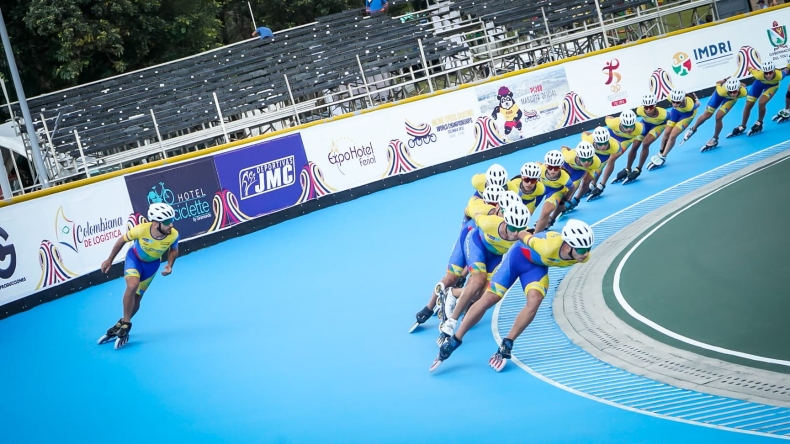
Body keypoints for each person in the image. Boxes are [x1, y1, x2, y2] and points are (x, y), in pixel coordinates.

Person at [430, 219, 594, 372]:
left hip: (536, 268)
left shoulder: (584, 257)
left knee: (535, 301)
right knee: (490, 299)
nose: (585, 254)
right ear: (567, 246)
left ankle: (507, 344)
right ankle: (455, 340)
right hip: (517, 258)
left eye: (587, 249)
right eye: (580, 250)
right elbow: (523, 234)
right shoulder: (548, 246)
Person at [410, 186, 516, 332]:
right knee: (455, 278)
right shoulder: (484, 214)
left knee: (480, 294)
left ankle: (453, 295)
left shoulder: (514, 224)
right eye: (501, 210)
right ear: (496, 206)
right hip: (471, 240)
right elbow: (467, 213)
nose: (504, 215)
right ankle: (428, 308)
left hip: (493, 253)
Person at [437, 202, 531, 343]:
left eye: (520, 229)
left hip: (495, 256)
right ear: (505, 222)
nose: (515, 233)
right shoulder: (489, 223)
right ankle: (451, 322)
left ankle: (453, 293)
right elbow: (469, 210)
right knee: (478, 280)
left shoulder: (525, 234)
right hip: (477, 244)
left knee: (481, 295)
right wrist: (463, 225)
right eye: (512, 228)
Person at [98, 203, 179, 349]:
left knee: (137, 298)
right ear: (155, 223)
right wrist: (109, 259)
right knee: (132, 286)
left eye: (171, 220)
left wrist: (170, 264)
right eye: (167, 222)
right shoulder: (141, 230)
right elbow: (121, 241)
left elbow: (174, 250)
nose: (171, 224)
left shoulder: (173, 235)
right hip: (134, 260)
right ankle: (127, 324)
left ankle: (123, 322)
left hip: (152, 266)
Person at [611, 94, 670, 185]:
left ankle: (638, 169)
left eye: (651, 107)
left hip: (658, 126)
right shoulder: (640, 110)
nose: (648, 110)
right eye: (646, 107)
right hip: (645, 124)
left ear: (655, 105)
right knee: (635, 146)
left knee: (645, 143)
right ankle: (628, 168)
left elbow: (672, 122)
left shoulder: (664, 114)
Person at [585, 110, 643, 200]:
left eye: (631, 126)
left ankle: (601, 185)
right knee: (599, 161)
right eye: (625, 126)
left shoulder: (639, 128)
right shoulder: (613, 123)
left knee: (611, 158)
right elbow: (607, 117)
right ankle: (593, 183)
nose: (628, 129)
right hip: (610, 138)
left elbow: (638, 143)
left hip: (624, 140)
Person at [680, 77, 747, 151]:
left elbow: (744, 85)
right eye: (730, 92)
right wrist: (725, 80)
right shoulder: (721, 90)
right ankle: (693, 129)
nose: (732, 94)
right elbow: (718, 83)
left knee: (718, 117)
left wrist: (739, 83)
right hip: (719, 96)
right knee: (707, 115)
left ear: (738, 89)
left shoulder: (744, 92)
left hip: (730, 100)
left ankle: (715, 138)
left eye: (734, 92)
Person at [647, 89, 700, 170]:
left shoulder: (689, 106)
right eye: (673, 101)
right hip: (676, 112)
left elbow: (698, 104)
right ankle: (660, 152)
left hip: (687, 115)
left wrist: (696, 99)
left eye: (677, 102)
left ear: (682, 100)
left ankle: (663, 156)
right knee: (667, 132)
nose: (674, 104)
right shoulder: (670, 97)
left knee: (673, 135)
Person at [728, 60, 783, 137]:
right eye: (766, 73)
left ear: (774, 71)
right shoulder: (758, 74)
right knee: (748, 105)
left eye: (770, 72)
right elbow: (749, 68)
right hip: (758, 84)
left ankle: (759, 122)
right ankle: (742, 126)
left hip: (772, 87)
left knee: (761, 103)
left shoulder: (779, 75)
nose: (768, 75)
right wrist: (741, 63)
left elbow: (787, 70)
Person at [532, 150, 574, 233]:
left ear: (561, 167)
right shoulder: (540, 169)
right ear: (546, 165)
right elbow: (537, 164)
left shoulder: (565, 177)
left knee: (545, 212)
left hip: (556, 191)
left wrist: (565, 199)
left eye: (556, 168)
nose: (553, 171)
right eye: (550, 167)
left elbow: (572, 188)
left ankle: (535, 236)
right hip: (542, 187)